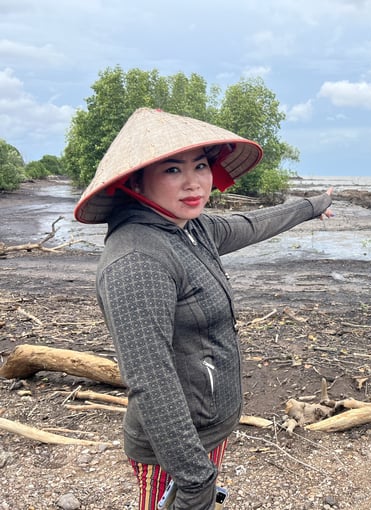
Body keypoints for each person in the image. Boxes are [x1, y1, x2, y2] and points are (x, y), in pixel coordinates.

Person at [74, 107, 333, 509]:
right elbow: (150, 379)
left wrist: (311, 206)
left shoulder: (191, 229)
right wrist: (196, 480)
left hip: (206, 429)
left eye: (200, 165)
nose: (194, 182)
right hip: (174, 449)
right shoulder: (137, 260)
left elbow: (252, 223)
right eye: (173, 170)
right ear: (136, 181)